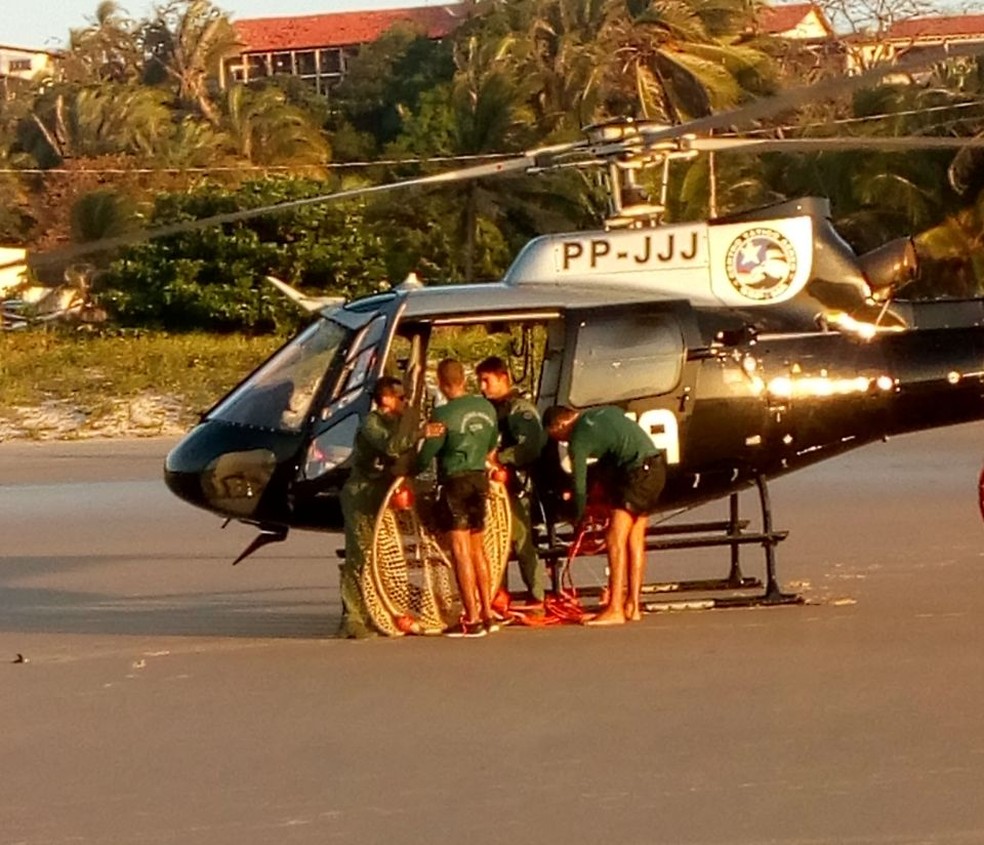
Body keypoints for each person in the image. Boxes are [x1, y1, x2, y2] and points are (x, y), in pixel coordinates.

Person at [543, 405, 665, 626]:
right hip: (655, 467)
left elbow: (579, 485)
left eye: (556, 436)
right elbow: (614, 438)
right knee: (634, 538)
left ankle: (615, 608)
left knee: (614, 538)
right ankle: (632, 605)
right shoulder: (600, 413)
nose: (561, 442)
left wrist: (578, 517)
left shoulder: (578, 438)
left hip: (637, 473)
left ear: (560, 425)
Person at [417, 359, 500, 637]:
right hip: (480, 479)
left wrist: (411, 467)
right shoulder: (486, 407)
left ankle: (472, 618)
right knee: (479, 549)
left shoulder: (442, 413)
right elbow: (491, 445)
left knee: (461, 551)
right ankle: (488, 613)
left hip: (455, 481)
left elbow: (428, 454)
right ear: (465, 379)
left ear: (441, 382)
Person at [339, 376, 418, 639]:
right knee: (360, 554)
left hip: (382, 495)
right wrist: (418, 432)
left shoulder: (396, 422)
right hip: (361, 494)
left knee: (380, 555)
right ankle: (353, 616)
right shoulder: (371, 423)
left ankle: (375, 609)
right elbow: (392, 446)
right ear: (386, 399)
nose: (404, 403)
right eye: (401, 398)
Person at [476, 356, 548, 607]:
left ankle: (537, 596)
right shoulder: (487, 410)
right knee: (494, 544)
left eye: (487, 380)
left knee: (521, 541)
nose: (482, 387)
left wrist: (500, 459)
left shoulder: (520, 410)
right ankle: (498, 595)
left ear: (503, 378)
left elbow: (531, 447)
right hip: (491, 487)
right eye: (480, 381)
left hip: (515, 487)